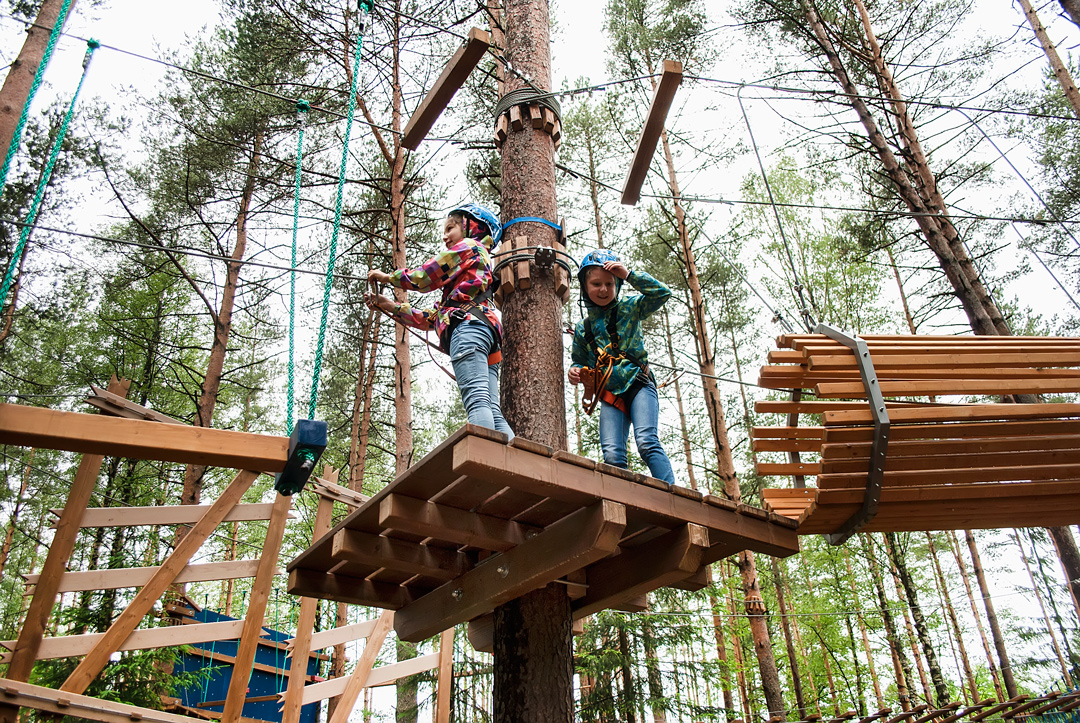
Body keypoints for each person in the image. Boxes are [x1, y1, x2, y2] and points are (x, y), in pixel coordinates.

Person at [367, 203, 514, 440]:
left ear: (471, 226)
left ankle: (489, 470)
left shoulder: (469, 247)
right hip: (486, 334)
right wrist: (389, 306)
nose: (445, 236)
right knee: (492, 409)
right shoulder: (471, 274)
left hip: (469, 330)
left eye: (451, 228)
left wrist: (389, 277)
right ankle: (515, 466)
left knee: (477, 401)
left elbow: (425, 277)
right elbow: (431, 318)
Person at [567, 249, 675, 483]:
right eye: (596, 284)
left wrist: (629, 275)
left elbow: (662, 294)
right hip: (610, 393)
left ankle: (672, 495)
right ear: (585, 287)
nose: (604, 289)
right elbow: (579, 359)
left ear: (617, 284)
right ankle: (623, 501)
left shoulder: (629, 308)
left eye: (610, 283)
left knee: (646, 441)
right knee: (613, 454)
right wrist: (575, 370)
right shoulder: (583, 328)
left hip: (638, 383)